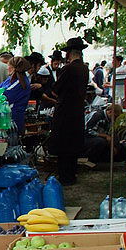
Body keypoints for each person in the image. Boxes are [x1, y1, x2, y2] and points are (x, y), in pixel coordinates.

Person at [49, 37, 89, 186]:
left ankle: (65, 176)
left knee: (63, 145)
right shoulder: (84, 69)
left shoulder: (68, 68)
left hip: (65, 111)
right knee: (73, 145)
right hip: (77, 111)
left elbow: (55, 90)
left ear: (69, 54)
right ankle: (72, 174)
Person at [0, 56, 32, 133]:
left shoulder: (19, 83)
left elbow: (3, 96)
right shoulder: (11, 80)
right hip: (8, 119)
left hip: (13, 120)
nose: (7, 68)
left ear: (13, 68)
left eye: (9, 65)